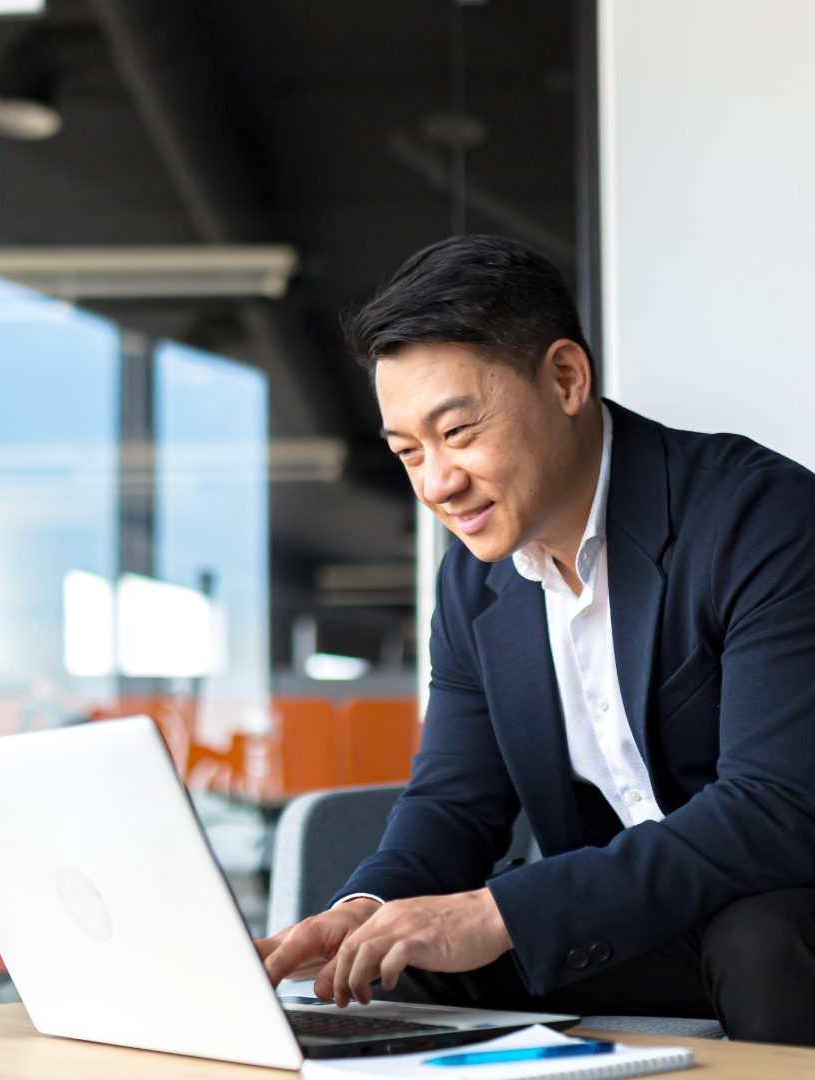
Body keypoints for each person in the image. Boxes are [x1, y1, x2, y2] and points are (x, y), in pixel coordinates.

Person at [257, 236, 815, 1046]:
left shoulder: (759, 517)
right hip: (631, 921)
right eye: (409, 451)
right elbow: (454, 802)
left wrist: (498, 911)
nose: (437, 483)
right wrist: (361, 914)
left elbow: (777, 809)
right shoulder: (471, 584)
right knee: (394, 960)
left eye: (458, 432)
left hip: (776, 906)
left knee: (762, 938)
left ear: (565, 378)